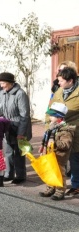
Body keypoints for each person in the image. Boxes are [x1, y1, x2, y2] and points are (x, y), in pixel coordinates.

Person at [47, 67, 79, 196]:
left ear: (70, 81)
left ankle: (76, 185)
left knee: (75, 160)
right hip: (57, 130)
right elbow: (49, 108)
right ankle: (55, 185)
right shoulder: (59, 90)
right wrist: (47, 125)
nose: (58, 83)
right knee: (57, 160)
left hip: (75, 131)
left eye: (61, 81)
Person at [0, 72, 32, 184]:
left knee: (18, 153)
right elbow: (0, 109)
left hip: (19, 127)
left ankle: (20, 175)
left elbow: (24, 115)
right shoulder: (2, 93)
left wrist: (21, 133)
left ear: (10, 83)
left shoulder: (20, 94)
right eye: (0, 83)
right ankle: (9, 174)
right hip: (7, 126)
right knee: (8, 151)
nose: (1, 86)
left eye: (3, 83)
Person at [39, 102, 75, 200]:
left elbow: (66, 144)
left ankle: (60, 191)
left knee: (59, 174)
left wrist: (55, 143)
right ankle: (50, 188)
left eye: (52, 115)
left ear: (59, 117)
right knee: (50, 172)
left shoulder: (65, 130)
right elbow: (46, 139)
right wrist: (43, 146)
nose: (50, 117)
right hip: (50, 155)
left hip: (59, 156)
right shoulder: (51, 127)